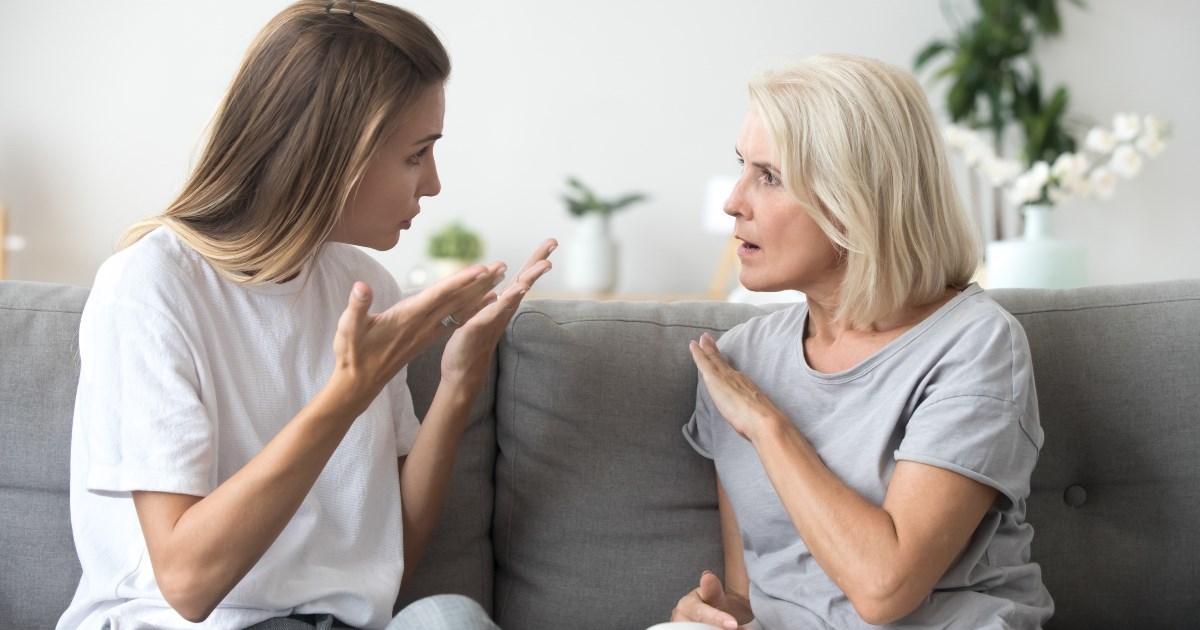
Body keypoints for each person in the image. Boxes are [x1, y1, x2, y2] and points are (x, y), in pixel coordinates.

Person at [58, 1, 553, 628]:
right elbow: (187, 584)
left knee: (449, 616)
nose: (432, 184)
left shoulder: (364, 286)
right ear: (331, 154)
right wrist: (349, 391)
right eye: (416, 154)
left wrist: (460, 381)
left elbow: (385, 557)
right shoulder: (151, 285)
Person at [672, 54, 1054, 629]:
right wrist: (725, 614)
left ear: (854, 200)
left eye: (769, 176)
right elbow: (752, 591)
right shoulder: (738, 361)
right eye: (742, 166)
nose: (734, 201)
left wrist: (768, 426)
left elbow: (885, 588)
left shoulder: (974, 344)